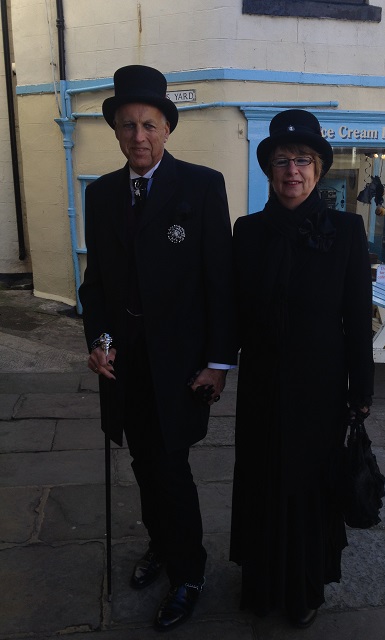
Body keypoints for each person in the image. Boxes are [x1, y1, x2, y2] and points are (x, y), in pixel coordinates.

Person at [79, 65, 237, 632]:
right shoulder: (100, 196)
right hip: (125, 366)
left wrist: (219, 362)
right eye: (127, 127)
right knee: (144, 463)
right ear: (116, 133)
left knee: (172, 468)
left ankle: (189, 570)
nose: (138, 137)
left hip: (179, 367)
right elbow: (96, 283)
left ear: (167, 127)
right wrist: (97, 340)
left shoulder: (201, 185)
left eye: (148, 124)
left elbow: (220, 281)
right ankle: (161, 546)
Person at [229, 109, 374, 628]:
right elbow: (230, 310)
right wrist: (216, 364)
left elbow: (357, 316)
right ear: (269, 170)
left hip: (321, 387)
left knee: (310, 487)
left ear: (318, 170)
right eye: (283, 160)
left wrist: (362, 389)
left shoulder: (348, 230)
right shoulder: (246, 232)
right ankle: (263, 583)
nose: (293, 170)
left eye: (304, 160)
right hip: (263, 384)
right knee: (263, 479)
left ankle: (305, 587)